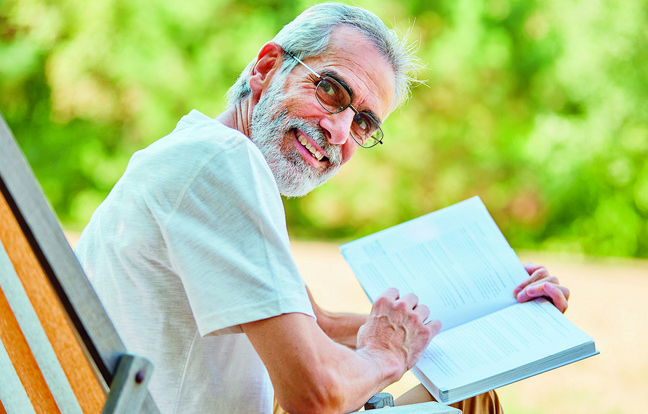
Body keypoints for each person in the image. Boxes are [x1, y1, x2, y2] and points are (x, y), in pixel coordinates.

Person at [74, 3, 570, 414]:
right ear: (266, 68)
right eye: (331, 89)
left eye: (363, 123)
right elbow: (314, 394)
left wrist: (485, 310)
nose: (337, 130)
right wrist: (383, 356)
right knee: (472, 404)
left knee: (471, 390)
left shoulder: (201, 154)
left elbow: (319, 324)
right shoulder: (223, 163)